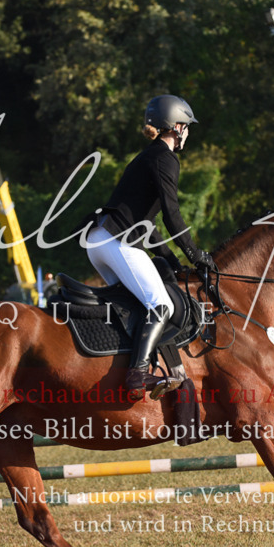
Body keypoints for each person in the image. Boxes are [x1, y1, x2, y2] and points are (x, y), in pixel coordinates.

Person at [81, 95, 214, 402]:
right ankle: (137, 374)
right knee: (160, 305)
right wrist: (196, 255)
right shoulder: (165, 159)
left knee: (136, 305)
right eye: (188, 127)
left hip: (99, 241)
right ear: (177, 127)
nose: (189, 134)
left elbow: (147, 223)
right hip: (115, 242)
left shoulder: (146, 156)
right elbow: (171, 214)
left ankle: (122, 361)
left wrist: (171, 259)